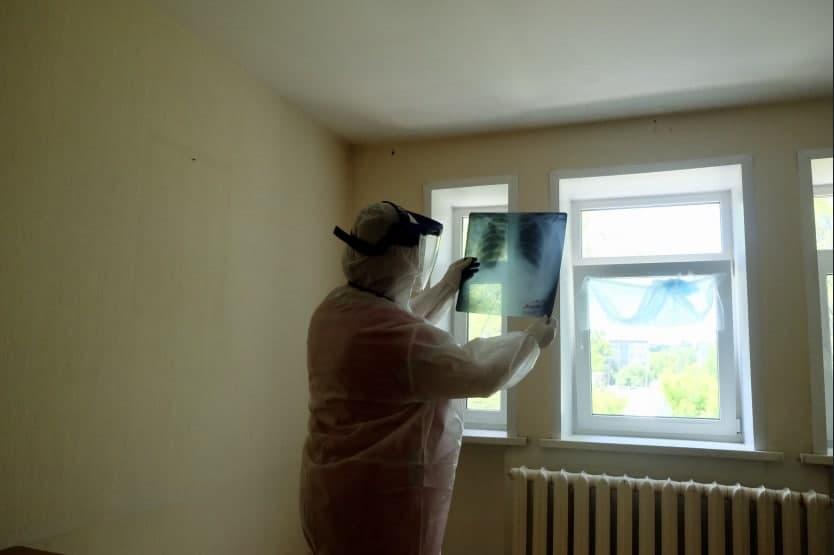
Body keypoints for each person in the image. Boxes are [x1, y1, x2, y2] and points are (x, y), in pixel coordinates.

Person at [300, 201, 556, 555]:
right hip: (380, 507)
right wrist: (530, 342)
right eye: (415, 254)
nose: (418, 263)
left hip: (327, 494)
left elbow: (400, 322)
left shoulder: (333, 311)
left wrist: (448, 285)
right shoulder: (401, 340)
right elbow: (479, 373)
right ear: (399, 259)